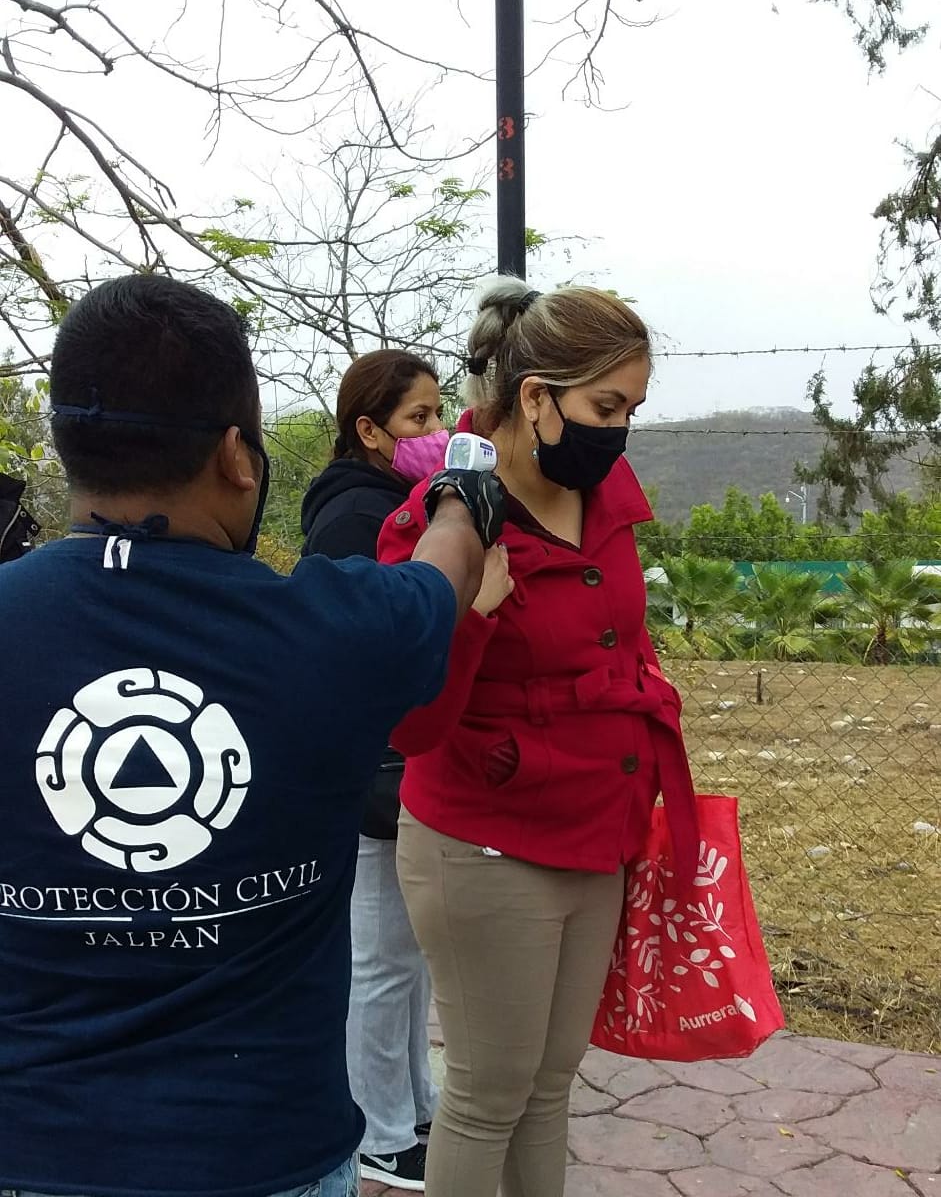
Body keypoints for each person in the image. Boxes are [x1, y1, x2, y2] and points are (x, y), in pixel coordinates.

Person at [0, 274, 503, 1197]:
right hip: (265, 1157)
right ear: (238, 456)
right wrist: (461, 494)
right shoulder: (336, 628)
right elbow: (448, 571)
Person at [378, 277, 699, 1197]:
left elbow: (623, 642)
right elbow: (410, 722)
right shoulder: (441, 527)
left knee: (550, 1087)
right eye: (606, 406)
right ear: (534, 397)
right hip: (485, 840)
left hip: (596, 829)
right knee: (487, 1094)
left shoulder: (602, 498)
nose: (620, 431)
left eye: (632, 409)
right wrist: (470, 615)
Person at [300, 350, 449, 1192]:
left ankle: (412, 1103)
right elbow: (353, 647)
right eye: (418, 419)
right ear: (368, 430)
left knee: (408, 952)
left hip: (390, 765)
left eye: (438, 413)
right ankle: (379, 1130)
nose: (435, 431)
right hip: (370, 770)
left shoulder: (395, 501)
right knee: (381, 959)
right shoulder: (355, 516)